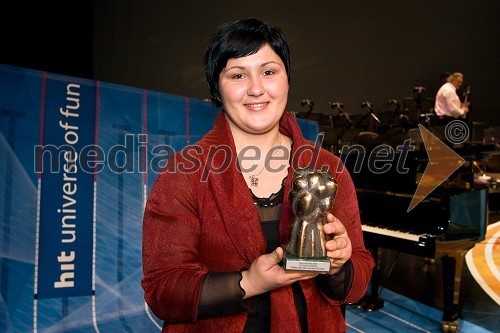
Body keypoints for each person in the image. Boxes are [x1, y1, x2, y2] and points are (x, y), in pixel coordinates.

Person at [141, 18, 374, 333]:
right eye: (238, 75)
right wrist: (248, 282)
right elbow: (163, 290)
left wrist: (339, 266)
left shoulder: (328, 168)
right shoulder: (182, 173)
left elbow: (358, 279)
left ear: (286, 79)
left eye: (268, 71)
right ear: (216, 88)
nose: (256, 88)